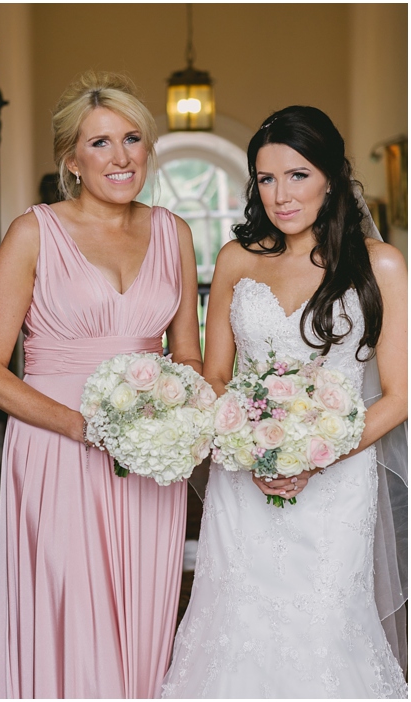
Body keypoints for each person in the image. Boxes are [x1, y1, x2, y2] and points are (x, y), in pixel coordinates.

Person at [0, 71, 203, 699]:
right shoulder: (32, 232)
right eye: (100, 143)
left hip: (152, 456)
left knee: (144, 600)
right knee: (69, 602)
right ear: (71, 158)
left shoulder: (173, 232)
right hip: (58, 447)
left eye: (132, 139)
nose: (121, 157)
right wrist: (86, 428)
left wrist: (174, 424)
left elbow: (188, 356)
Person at [162, 106, 408, 698]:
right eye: (266, 179)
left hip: (338, 481)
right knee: (233, 623)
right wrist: (250, 447)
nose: (280, 195)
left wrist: (317, 454)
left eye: (297, 175)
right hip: (241, 479)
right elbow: (216, 374)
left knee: (322, 628)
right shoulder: (236, 260)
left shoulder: (382, 266)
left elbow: (400, 394)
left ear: (331, 175)